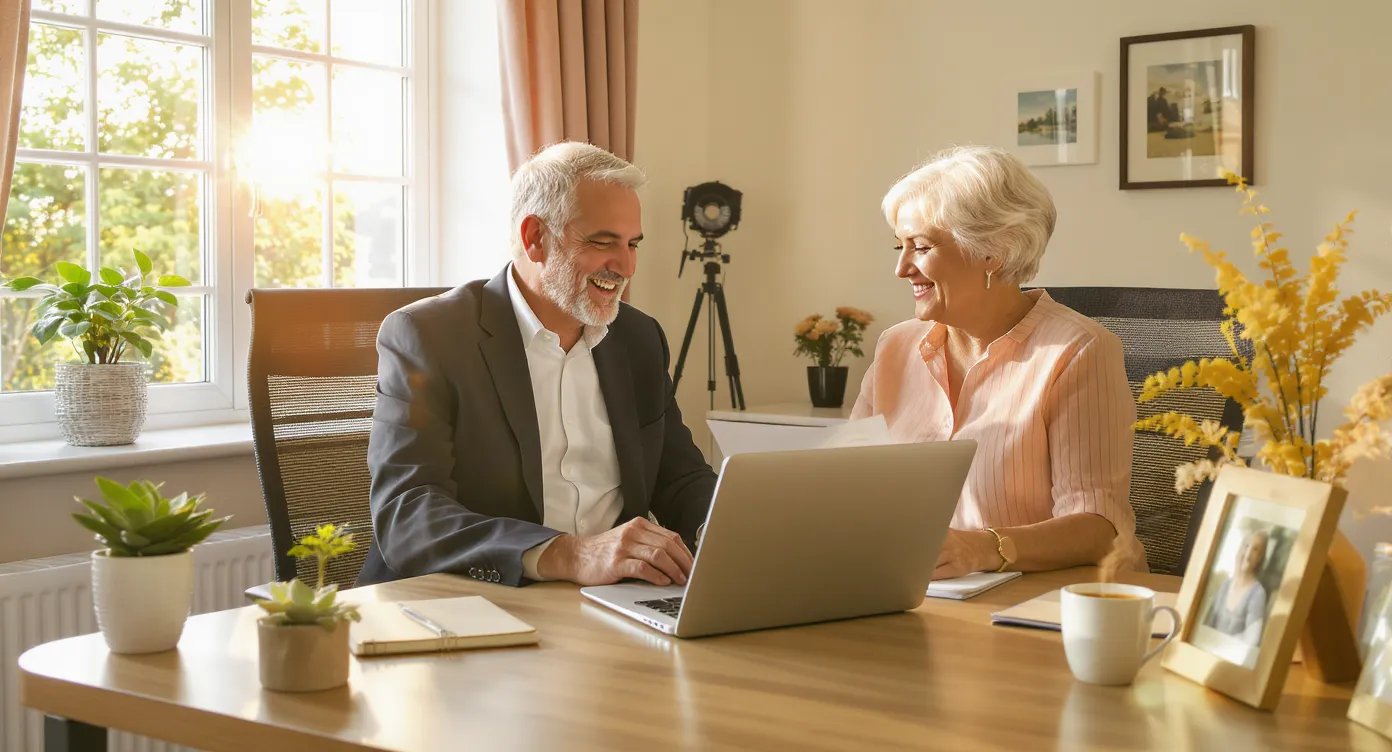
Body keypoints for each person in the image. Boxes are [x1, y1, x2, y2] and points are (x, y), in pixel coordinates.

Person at [356, 142, 716, 588]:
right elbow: (407, 513)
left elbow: (679, 478)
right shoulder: (428, 336)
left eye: (632, 244)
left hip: (610, 602)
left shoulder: (638, 339)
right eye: (602, 242)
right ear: (534, 238)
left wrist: (726, 535)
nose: (625, 266)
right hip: (471, 602)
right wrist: (571, 554)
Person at [851, 145, 1147, 579]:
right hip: (917, 595)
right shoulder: (895, 347)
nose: (902, 268)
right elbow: (844, 487)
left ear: (994, 252)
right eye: (899, 246)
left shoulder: (1077, 350)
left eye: (920, 247)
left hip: (1034, 606)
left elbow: (1100, 529)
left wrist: (982, 549)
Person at [1203, 529, 1270, 646]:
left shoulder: (1258, 594)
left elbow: (1252, 639)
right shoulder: (1225, 585)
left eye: (1255, 550)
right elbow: (1208, 624)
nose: (1248, 554)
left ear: (1260, 557)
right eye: (1246, 546)